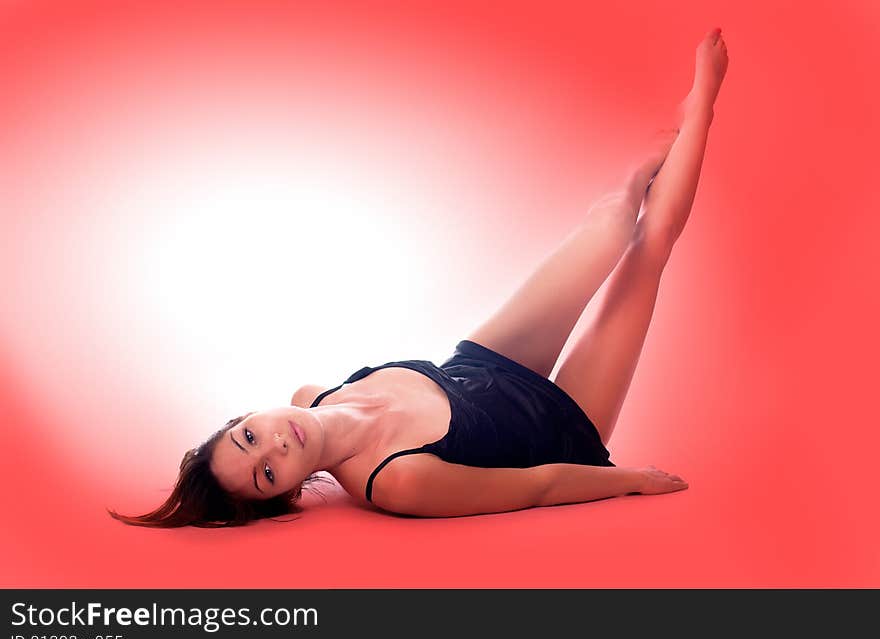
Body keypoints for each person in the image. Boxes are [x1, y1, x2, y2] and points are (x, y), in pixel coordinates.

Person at [110, 28, 728, 527]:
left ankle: (650, 162)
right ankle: (703, 102)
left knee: (612, 222)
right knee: (646, 252)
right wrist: (634, 481)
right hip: (559, 428)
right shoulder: (396, 480)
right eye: (268, 473)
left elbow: (306, 408)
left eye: (250, 437)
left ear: (247, 415)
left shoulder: (309, 396)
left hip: (484, 367)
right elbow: (538, 485)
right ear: (290, 494)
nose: (276, 446)